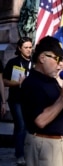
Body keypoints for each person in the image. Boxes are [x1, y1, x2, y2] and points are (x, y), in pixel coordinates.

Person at [20, 36, 63, 166]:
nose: (61, 64)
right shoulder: (31, 84)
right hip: (46, 146)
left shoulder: (51, 80)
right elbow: (40, 121)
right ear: (42, 58)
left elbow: (55, 107)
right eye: (57, 59)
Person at [3, 36, 33, 165]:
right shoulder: (13, 62)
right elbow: (4, 81)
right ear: (20, 48)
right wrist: (16, 83)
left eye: (30, 47)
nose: (28, 50)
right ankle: (20, 154)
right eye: (26, 47)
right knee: (21, 125)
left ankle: (25, 151)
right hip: (16, 99)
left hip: (31, 99)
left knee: (26, 126)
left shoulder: (36, 63)